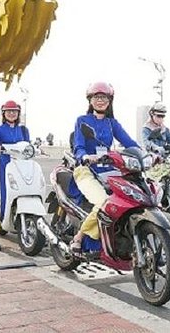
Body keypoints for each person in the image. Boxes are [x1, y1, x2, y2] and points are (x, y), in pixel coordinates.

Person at [69, 82, 139, 252]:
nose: (100, 100)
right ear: (90, 100)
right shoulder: (82, 121)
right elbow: (79, 145)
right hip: (85, 169)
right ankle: (79, 237)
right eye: (96, 97)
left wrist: (146, 155)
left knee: (129, 197)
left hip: (107, 168)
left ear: (109, 100)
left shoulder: (111, 123)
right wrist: (84, 156)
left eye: (104, 97)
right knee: (104, 202)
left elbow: (129, 143)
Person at [0, 100, 30, 250]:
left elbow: (28, 146)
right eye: (8, 111)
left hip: (22, 165)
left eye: (14, 111)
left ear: (18, 113)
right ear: (4, 114)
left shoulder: (23, 130)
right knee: (1, 197)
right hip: (5, 165)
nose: (12, 113)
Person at [141, 102, 170, 190]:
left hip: (165, 157)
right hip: (153, 160)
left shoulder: (164, 129)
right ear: (152, 115)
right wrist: (156, 148)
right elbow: (146, 142)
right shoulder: (146, 128)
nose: (160, 118)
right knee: (157, 182)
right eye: (158, 116)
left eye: (162, 116)